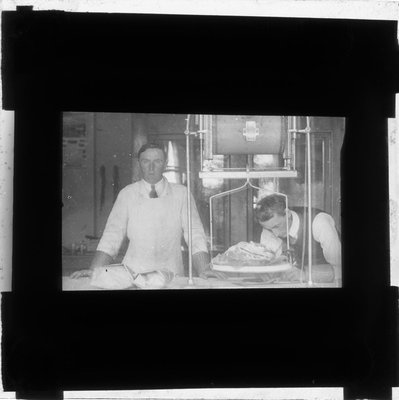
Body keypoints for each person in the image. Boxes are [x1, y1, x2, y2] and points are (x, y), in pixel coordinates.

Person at [71, 143, 210, 280]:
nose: (151, 167)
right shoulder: (127, 194)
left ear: (165, 164)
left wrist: (204, 269)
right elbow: (111, 236)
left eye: (157, 161)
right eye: (146, 161)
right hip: (133, 277)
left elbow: (195, 235)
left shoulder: (182, 194)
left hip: (171, 277)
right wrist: (95, 270)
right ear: (139, 163)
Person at [255, 193, 341, 280]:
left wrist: (306, 275)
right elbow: (269, 264)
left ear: (287, 213)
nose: (275, 233)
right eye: (269, 229)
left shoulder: (320, 222)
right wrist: (268, 271)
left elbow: (340, 269)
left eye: (277, 226)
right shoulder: (270, 226)